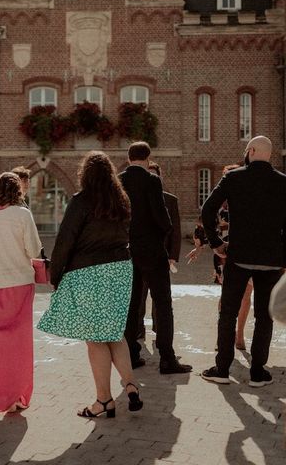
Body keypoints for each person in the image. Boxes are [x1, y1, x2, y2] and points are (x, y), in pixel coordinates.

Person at [38, 151, 143, 418]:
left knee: (95, 339)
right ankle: (130, 384)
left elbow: (65, 239)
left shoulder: (81, 201)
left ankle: (104, 400)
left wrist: (56, 274)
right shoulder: (122, 201)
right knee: (114, 332)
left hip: (89, 273)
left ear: (85, 174)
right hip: (120, 269)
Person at [201, 136, 286, 387]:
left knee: (228, 312)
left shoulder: (234, 177)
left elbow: (208, 209)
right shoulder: (283, 183)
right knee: (264, 316)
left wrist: (216, 242)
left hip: (238, 257)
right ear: (269, 155)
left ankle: (222, 368)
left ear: (250, 151)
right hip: (271, 260)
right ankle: (258, 372)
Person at [118, 142, 192, 374]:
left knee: (131, 304)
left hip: (128, 251)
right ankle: (167, 358)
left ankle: (130, 354)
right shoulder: (152, 181)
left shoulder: (118, 181)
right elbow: (164, 219)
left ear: (129, 158)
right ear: (148, 159)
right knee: (163, 303)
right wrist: (160, 235)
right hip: (152, 252)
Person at [0, 172, 42, 413]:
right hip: (19, 282)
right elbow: (34, 249)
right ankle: (17, 395)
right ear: (17, 192)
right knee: (19, 344)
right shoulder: (22, 214)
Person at [137, 162, 181, 338]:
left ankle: (158, 328)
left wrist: (173, 256)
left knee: (160, 298)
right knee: (139, 296)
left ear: (159, 178)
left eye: (154, 175)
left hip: (161, 256)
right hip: (140, 256)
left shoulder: (170, 200)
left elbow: (175, 231)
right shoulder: (137, 198)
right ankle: (138, 330)